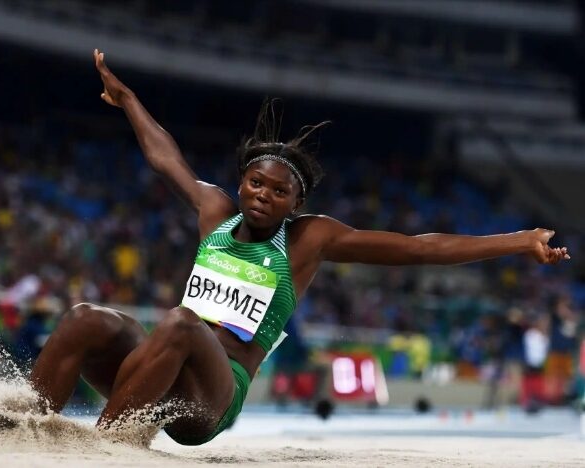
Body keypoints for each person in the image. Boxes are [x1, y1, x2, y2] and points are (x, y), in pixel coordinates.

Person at [30, 49, 570, 446]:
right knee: (85, 318)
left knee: (180, 323)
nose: (263, 196)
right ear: (241, 183)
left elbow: (417, 248)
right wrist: (128, 100)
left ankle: (106, 450)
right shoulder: (216, 212)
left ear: (296, 202)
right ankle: (25, 428)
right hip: (158, 375)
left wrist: (519, 241)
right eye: (255, 184)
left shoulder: (309, 239)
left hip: (212, 399)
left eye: (278, 191)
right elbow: (165, 159)